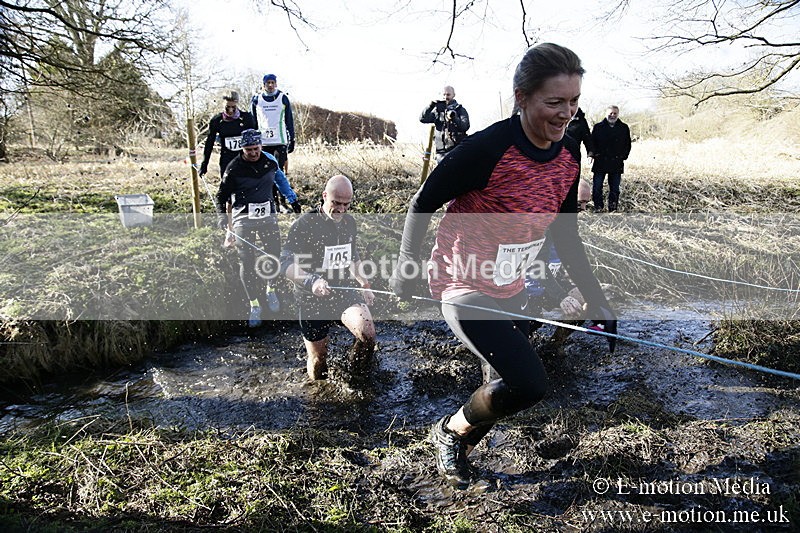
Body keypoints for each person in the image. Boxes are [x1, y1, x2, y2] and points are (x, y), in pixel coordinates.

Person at [390, 43, 617, 489]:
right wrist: (406, 270)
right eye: (554, 102)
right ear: (522, 97)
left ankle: (456, 448)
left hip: (510, 286)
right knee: (530, 383)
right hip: (462, 282)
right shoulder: (487, 148)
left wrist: (598, 299)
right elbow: (423, 202)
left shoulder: (569, 158)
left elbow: (565, 235)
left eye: (573, 102)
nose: (565, 113)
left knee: (501, 390)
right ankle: (447, 432)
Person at [280, 175, 376, 381]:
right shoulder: (304, 224)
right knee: (319, 359)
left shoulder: (349, 222)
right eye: (336, 203)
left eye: (346, 204)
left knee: (367, 334)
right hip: (311, 299)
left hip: (343, 291)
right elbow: (285, 264)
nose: (341, 209)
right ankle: (318, 395)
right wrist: (311, 281)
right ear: (324, 196)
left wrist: (365, 284)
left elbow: (353, 256)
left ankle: (355, 377)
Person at [214, 129, 301, 327]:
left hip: (267, 214)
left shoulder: (270, 161)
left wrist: (292, 199)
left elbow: (280, 180)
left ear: (261, 145)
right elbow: (221, 196)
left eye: (256, 148)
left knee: (274, 254)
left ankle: (271, 288)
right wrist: (222, 218)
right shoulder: (234, 168)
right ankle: (254, 304)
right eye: (248, 149)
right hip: (243, 217)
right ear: (242, 148)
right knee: (247, 260)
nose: (253, 153)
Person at [252, 74, 296, 212]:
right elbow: (253, 121)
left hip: (279, 141)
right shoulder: (256, 100)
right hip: (264, 142)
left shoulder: (282, 98)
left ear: (276, 84)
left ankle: (282, 203)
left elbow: (289, 120)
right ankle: (273, 203)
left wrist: (292, 138)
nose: (270, 85)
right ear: (263, 84)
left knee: (279, 172)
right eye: (267, 83)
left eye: (272, 82)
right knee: (267, 173)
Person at [198, 90, 257, 179]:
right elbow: (209, 143)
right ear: (223, 105)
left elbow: (255, 141)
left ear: (237, 104)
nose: (230, 110)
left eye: (233, 107)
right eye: (227, 107)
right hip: (227, 159)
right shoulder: (217, 120)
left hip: (245, 158)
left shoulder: (247, 118)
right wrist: (204, 164)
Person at [590, 105, 631, 212]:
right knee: (597, 188)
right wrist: (593, 154)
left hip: (616, 162)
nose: (612, 115)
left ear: (618, 114)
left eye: (615, 113)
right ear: (606, 113)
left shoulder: (624, 128)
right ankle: (598, 207)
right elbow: (592, 142)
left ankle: (613, 208)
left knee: (614, 189)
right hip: (600, 161)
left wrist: (623, 156)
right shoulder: (598, 127)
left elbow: (628, 144)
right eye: (610, 113)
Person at [419, 85, 470, 162]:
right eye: (444, 94)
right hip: (440, 153)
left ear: (454, 95)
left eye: (448, 94)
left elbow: (465, 126)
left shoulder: (460, 110)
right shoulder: (437, 111)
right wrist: (431, 105)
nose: (446, 97)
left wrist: (454, 118)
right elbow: (423, 119)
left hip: (456, 151)